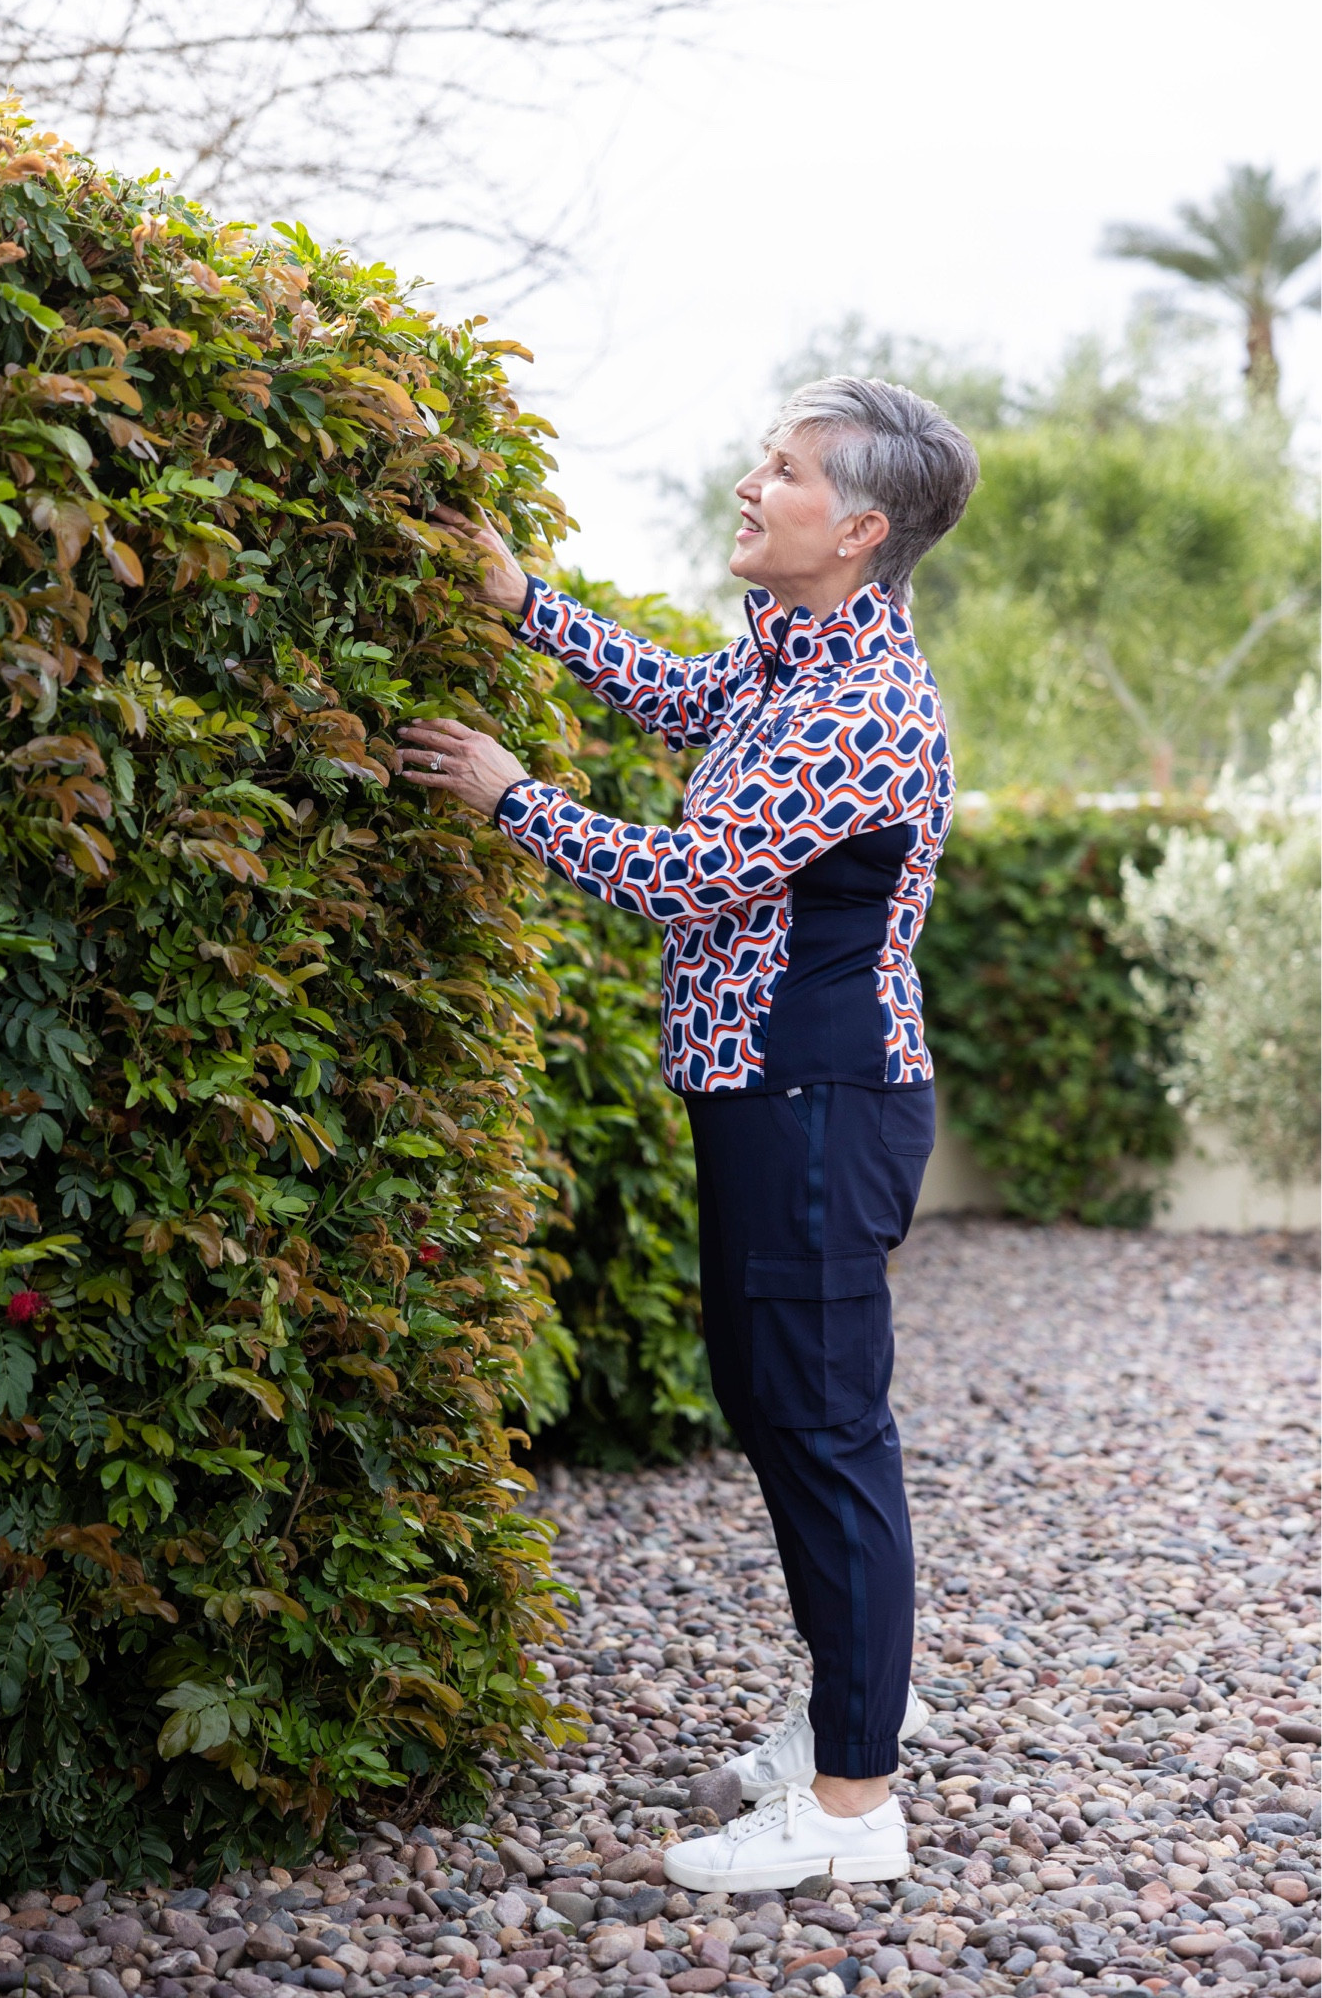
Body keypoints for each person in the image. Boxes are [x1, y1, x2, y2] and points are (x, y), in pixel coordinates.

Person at [398, 376, 979, 1892]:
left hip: (817, 1105)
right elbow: (678, 699)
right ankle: (847, 1715)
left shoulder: (863, 704)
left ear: (854, 528)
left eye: (778, 471)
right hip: (768, 1099)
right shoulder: (794, 658)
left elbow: (688, 875)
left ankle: (854, 1809)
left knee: (826, 1430)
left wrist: (509, 794)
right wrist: (528, 603)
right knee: (785, 1411)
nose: (747, 484)